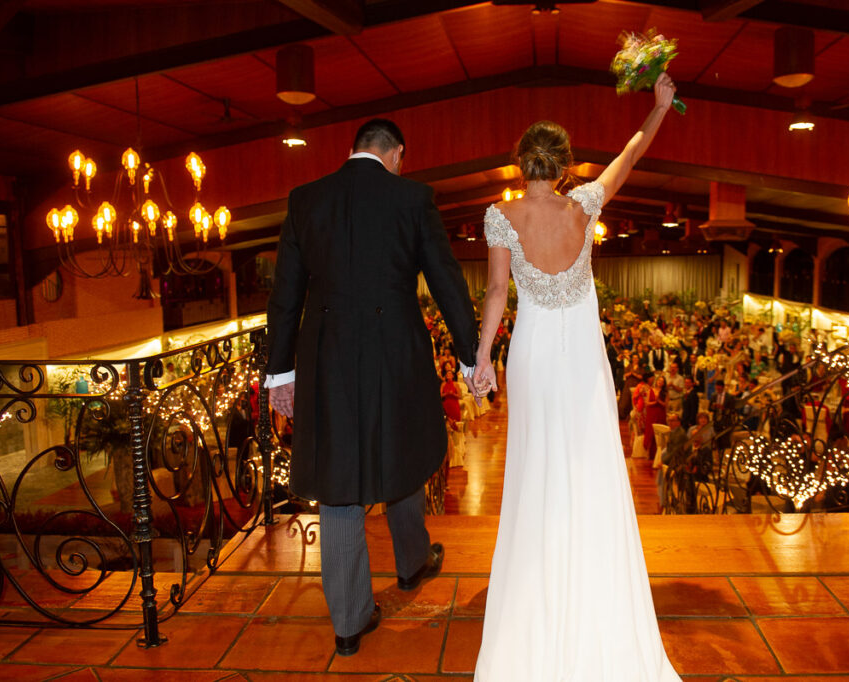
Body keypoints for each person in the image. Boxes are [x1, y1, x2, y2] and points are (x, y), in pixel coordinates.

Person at [470, 73, 680, 680]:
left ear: (520, 164)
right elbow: (632, 151)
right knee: (588, 465)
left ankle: (536, 585)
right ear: (563, 166)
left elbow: (494, 293)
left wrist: (484, 356)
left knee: (536, 465)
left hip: (532, 355)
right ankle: (592, 581)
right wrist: (659, 108)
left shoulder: (499, 216)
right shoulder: (586, 204)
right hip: (583, 358)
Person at [265, 119, 479, 657]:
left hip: (328, 358)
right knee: (401, 454)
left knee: (339, 481)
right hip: (395, 354)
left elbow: (285, 296)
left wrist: (280, 374)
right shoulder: (414, 198)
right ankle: (411, 565)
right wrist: (471, 353)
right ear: (397, 154)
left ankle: (350, 621)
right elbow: (445, 279)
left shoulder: (305, 200)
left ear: (352, 150)